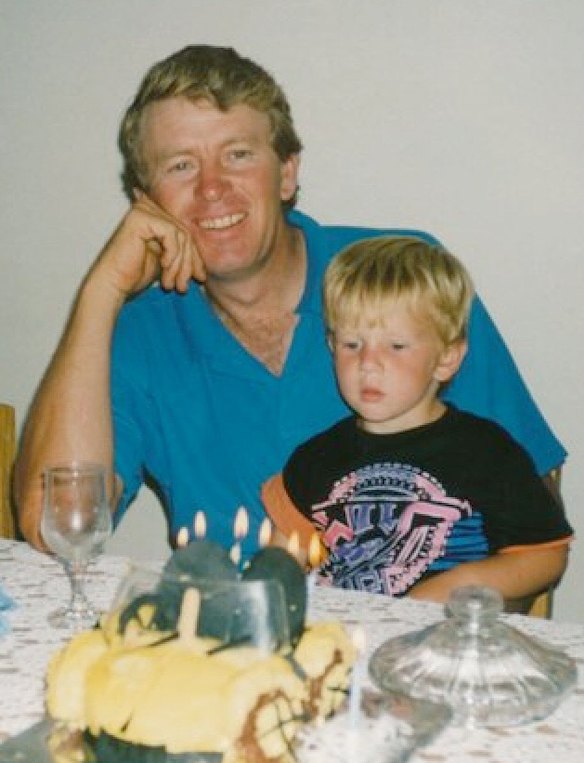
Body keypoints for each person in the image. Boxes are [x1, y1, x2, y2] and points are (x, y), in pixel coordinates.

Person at [14, 45, 566, 563]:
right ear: (146, 200)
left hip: (414, 642)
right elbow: (52, 532)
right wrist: (99, 292)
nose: (212, 188)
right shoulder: (138, 332)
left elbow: (533, 496)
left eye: (238, 155)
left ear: (286, 173)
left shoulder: (400, 277)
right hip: (229, 649)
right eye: (180, 165)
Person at [262, 237, 572, 603]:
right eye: (351, 344)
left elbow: (545, 556)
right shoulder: (315, 459)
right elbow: (280, 566)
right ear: (331, 347)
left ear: (446, 359)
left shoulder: (487, 452)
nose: (368, 363)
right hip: (344, 641)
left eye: (396, 346)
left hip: (444, 645)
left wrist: (455, 587)